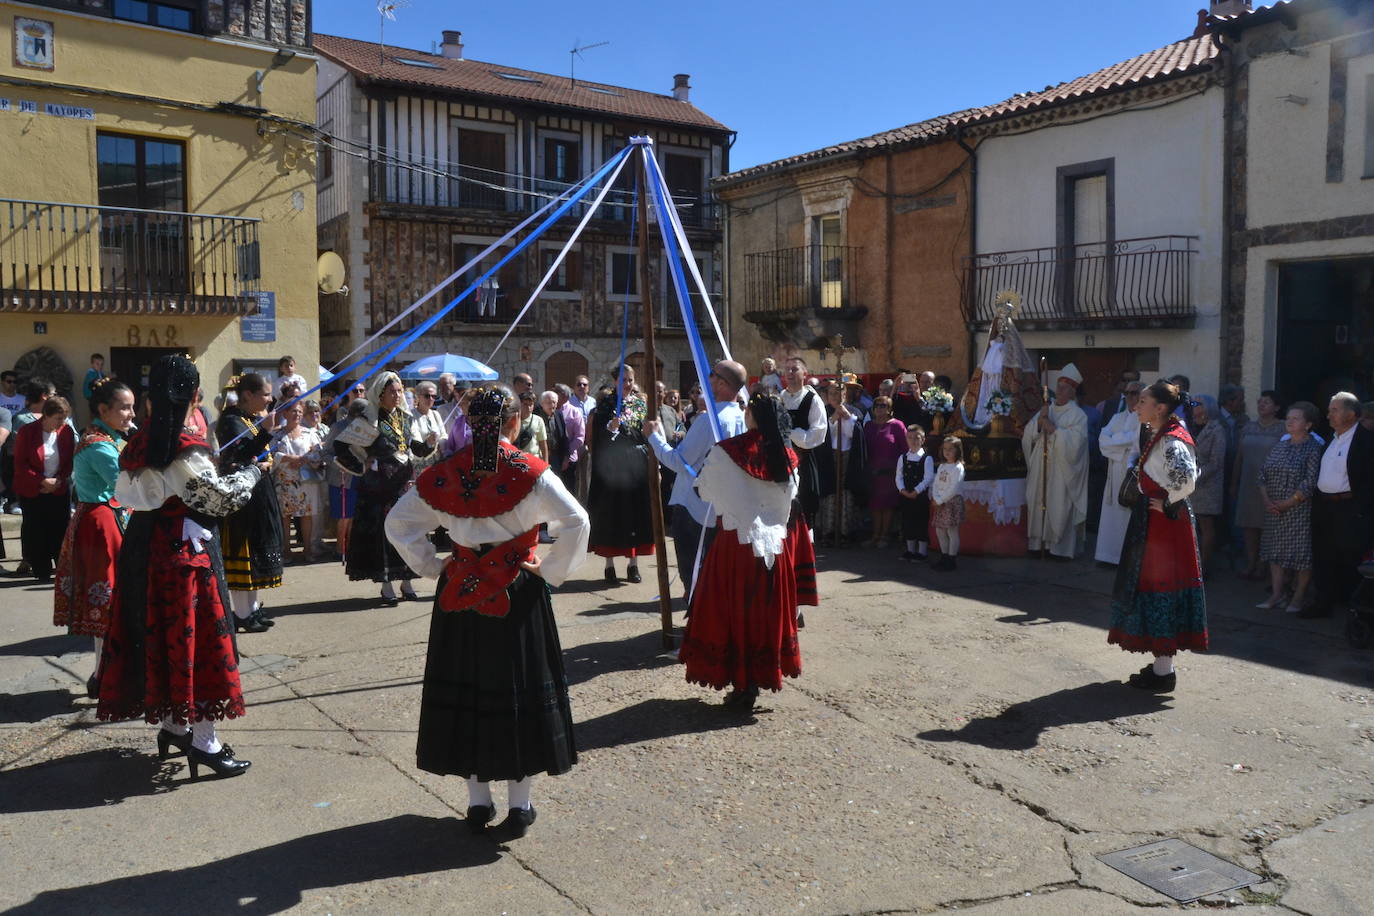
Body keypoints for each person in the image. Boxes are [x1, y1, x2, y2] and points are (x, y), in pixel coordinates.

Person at [384, 385, 588, 840]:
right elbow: (578, 521)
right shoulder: (532, 472)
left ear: (469, 424)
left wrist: (431, 565)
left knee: (468, 689)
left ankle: (478, 802)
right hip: (516, 585)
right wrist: (551, 569)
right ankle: (520, 806)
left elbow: (397, 522)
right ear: (514, 422)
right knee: (516, 691)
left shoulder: (444, 472)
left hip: (460, 587)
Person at [96, 355, 256, 780]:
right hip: (186, 556)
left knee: (161, 637)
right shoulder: (186, 447)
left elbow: (132, 496)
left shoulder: (138, 442)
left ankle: (174, 725)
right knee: (199, 642)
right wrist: (253, 475)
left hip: (145, 550)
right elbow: (217, 500)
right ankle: (205, 741)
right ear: (193, 396)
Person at [678, 391, 817, 712]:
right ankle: (752, 681)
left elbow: (705, 491)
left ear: (752, 415)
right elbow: (789, 502)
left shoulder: (727, 451)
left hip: (736, 547)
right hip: (773, 551)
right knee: (762, 616)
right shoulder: (787, 455)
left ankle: (742, 684)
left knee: (734, 614)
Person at [1108, 379, 1207, 692]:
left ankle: (1164, 672)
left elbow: (1188, 478)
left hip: (1164, 525)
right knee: (1154, 588)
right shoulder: (1160, 432)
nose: (1136, 406)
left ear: (1160, 408)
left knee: (1162, 588)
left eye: (1143, 401)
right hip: (1155, 522)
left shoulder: (1171, 438)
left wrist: (1167, 502)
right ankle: (1163, 668)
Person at [54, 378, 134, 697]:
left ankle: (107, 673)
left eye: (132, 407)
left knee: (111, 603)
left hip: (104, 520)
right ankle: (104, 675)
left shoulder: (106, 437)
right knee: (107, 603)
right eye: (124, 408)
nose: (131, 414)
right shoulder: (99, 445)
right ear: (104, 409)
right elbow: (126, 485)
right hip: (102, 526)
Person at [645, 360, 748, 601]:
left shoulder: (710, 420)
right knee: (715, 571)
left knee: (693, 571)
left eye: (712, 375)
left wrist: (654, 437)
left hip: (694, 506)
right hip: (724, 508)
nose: (707, 379)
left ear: (722, 384)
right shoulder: (742, 418)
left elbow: (679, 462)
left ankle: (698, 612)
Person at [333, 371, 435, 605]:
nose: (397, 395)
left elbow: (413, 448)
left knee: (409, 531)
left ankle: (407, 581)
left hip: (404, 483)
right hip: (379, 487)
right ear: (380, 394)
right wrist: (362, 464)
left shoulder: (405, 417)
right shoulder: (370, 418)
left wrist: (428, 444)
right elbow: (341, 446)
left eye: (400, 391)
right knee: (385, 533)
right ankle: (386, 584)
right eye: (392, 391)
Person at [216, 374, 283, 633]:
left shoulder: (250, 419)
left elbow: (256, 453)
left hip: (258, 491)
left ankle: (252, 609)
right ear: (248, 395)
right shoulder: (231, 420)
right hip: (242, 498)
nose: (269, 399)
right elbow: (241, 454)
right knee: (243, 551)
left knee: (256, 552)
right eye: (265, 394)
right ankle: (242, 613)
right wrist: (266, 432)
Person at [1305, 392, 1374, 619]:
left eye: (1334, 410)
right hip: (1325, 508)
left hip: (1350, 509)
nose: (1328, 415)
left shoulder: (1367, 441)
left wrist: (1361, 511)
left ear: (1351, 414)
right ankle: (1322, 603)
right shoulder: (1330, 439)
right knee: (1323, 556)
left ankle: (1354, 609)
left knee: (1349, 557)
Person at [587, 366, 654, 584]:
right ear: (615, 381)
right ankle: (609, 565)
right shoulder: (605, 405)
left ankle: (633, 565)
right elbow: (597, 438)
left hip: (636, 465)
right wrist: (610, 428)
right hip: (612, 468)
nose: (627, 384)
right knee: (612, 514)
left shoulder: (639, 405)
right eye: (623, 380)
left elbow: (645, 435)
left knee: (634, 513)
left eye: (631, 380)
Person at [1255, 402, 1322, 613]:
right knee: (1274, 552)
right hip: (1274, 508)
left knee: (1301, 555)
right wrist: (1267, 500)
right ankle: (1277, 594)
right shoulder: (1281, 445)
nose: (1290, 422)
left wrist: (1288, 502)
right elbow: (1263, 474)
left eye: (1296, 418)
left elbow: (1310, 482)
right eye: (1288, 418)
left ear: (1308, 424)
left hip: (1298, 510)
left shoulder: (1313, 448)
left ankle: (1298, 596)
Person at [1022, 364, 1090, 560]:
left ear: (1073, 391)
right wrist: (1038, 424)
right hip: (1041, 464)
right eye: (1058, 386)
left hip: (1062, 468)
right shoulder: (1046, 409)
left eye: (1064, 388)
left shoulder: (1078, 415)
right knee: (1038, 500)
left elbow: (1077, 444)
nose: (1059, 391)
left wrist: (1054, 430)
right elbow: (1028, 435)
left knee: (1058, 503)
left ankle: (1059, 549)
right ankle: (1037, 545)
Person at [13, 396, 75, 581]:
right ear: (46, 415)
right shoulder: (27, 432)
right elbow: (20, 464)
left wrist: (58, 480)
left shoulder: (66, 432)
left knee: (60, 529)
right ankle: (41, 570)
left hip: (58, 489)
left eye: (64, 418)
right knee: (36, 530)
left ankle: (62, 569)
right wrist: (42, 481)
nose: (61, 422)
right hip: (33, 490)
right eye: (58, 418)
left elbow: (69, 462)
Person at [1232, 391, 1286, 579]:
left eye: (1267, 402)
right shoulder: (1249, 427)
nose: (1262, 405)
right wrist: (1234, 482)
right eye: (1260, 401)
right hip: (1248, 482)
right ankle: (1251, 562)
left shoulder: (1283, 428)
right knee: (1249, 525)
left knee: (1267, 526)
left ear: (1277, 407)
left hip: (1271, 485)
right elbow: (1239, 456)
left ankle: (1263, 566)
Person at [1095, 380, 1144, 566]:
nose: (1130, 397)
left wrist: (1115, 442)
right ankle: (1108, 555)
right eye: (1127, 393)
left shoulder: (1144, 419)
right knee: (1112, 514)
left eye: (1134, 393)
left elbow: (1137, 441)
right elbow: (1102, 441)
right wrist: (1122, 447)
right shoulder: (1117, 418)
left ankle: (1127, 559)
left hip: (1131, 474)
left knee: (1128, 514)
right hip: (1114, 471)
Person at [270, 402, 325, 563]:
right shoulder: (277, 435)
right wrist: (288, 458)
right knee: (285, 516)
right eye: (293, 411)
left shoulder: (309, 433)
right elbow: (271, 455)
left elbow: (318, 453)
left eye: (300, 412)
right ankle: (287, 551)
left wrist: (303, 459)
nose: (297, 414)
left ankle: (307, 550)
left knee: (306, 515)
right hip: (284, 481)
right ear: (285, 413)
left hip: (305, 481)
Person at [780, 356, 828, 529]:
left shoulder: (812, 399)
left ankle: (806, 542)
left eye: (794, 369)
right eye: (787, 369)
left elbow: (818, 433)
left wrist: (790, 433)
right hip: (781, 461)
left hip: (804, 461)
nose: (790, 373)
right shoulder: (780, 398)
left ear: (805, 373)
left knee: (804, 506)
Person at [1190, 396, 1228, 575]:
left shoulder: (1216, 430)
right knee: (1190, 525)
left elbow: (1216, 461)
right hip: (1188, 486)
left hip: (1206, 485)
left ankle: (1204, 566)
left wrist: (1195, 476)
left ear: (1207, 408)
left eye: (1197, 404)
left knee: (1206, 526)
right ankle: (1191, 563)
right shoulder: (1190, 426)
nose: (1193, 407)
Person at [863, 395, 907, 548]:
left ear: (889, 409)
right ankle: (875, 535)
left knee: (887, 505)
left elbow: (905, 449)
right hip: (872, 473)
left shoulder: (897, 425)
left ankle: (884, 536)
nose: (879, 408)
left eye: (883, 405)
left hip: (890, 474)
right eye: (876, 405)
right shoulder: (868, 425)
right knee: (874, 505)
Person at [896, 424, 933, 561]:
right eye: (910, 438)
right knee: (908, 522)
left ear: (923, 440)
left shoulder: (926, 458)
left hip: (920, 497)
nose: (913, 441)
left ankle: (922, 552)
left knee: (921, 522)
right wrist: (902, 489)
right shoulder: (903, 458)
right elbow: (898, 476)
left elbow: (928, 478)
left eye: (916, 438)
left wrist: (916, 491)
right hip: (906, 495)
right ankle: (910, 550)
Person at [930, 436, 966, 571]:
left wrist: (940, 500)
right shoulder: (942, 466)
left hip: (951, 502)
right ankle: (944, 557)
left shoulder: (958, 467)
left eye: (951, 449)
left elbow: (954, 488)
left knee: (952, 531)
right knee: (940, 530)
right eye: (945, 449)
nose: (947, 452)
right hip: (940, 502)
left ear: (958, 450)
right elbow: (936, 483)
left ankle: (951, 560)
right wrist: (935, 497)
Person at [553, 383, 585, 497]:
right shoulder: (549, 410)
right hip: (552, 458)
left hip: (569, 460)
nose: (553, 393)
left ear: (565, 396)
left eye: (556, 391)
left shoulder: (574, 412)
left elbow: (579, 437)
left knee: (568, 492)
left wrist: (566, 455)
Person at [410, 381, 447, 475]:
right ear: (418, 396)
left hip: (437, 464)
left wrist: (441, 441)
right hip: (419, 466)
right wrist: (429, 441)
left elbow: (444, 435)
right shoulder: (410, 416)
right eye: (427, 396)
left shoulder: (436, 414)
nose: (431, 399)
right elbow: (415, 440)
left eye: (434, 396)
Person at [513, 390, 548, 461]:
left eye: (531, 405)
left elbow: (543, 445)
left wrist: (546, 462)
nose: (528, 408)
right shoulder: (512, 419)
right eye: (525, 404)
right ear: (519, 404)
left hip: (534, 459)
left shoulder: (538, 420)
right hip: (516, 459)